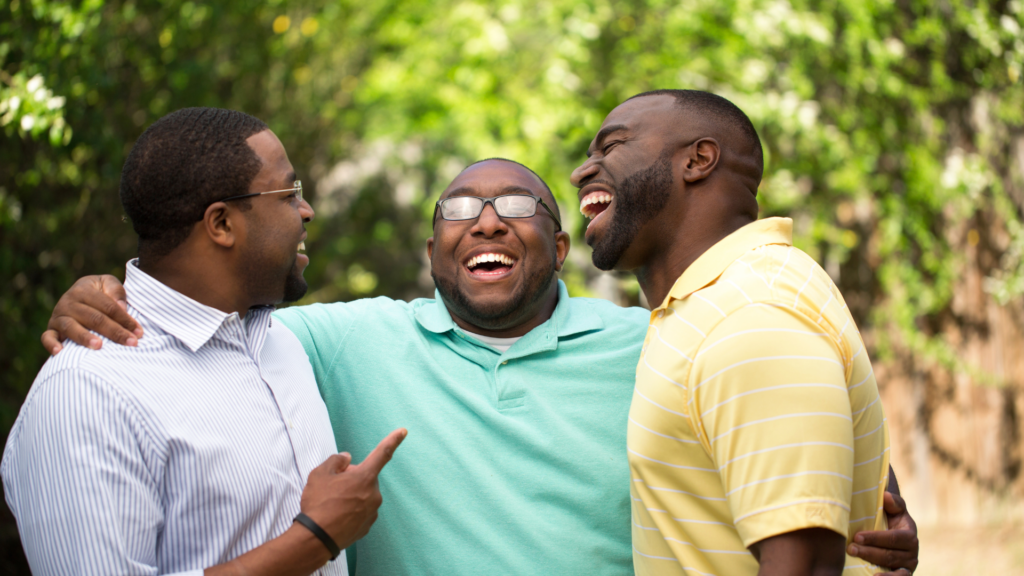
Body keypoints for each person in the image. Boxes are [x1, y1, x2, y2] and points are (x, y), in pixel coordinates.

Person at [39, 158, 918, 575]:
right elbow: (204, 332)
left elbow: (784, 421)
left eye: (517, 208)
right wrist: (101, 295)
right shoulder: (331, 343)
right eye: (461, 207)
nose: (487, 221)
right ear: (433, 248)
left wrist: (873, 510)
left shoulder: (656, 344)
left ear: (564, 246)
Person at [3, 107, 406, 576]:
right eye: (289, 192)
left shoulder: (281, 342)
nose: (307, 209)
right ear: (221, 224)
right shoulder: (87, 391)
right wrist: (315, 537)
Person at [571, 89, 913, 576]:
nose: (582, 171)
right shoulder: (708, 307)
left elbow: (808, 565)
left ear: (699, 159)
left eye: (611, 146)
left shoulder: (750, 314)